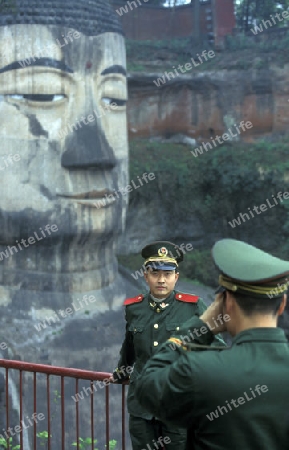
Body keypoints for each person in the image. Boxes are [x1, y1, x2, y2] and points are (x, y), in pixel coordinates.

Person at [135, 238, 289, 450]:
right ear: (282, 304)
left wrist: (201, 327)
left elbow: (147, 387)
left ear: (228, 303)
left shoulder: (200, 370)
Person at [111, 240, 225, 450]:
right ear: (146, 276)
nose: (161, 280)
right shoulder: (134, 308)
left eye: (167, 274)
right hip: (141, 404)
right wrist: (121, 370)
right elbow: (130, 344)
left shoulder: (192, 306)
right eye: (155, 273)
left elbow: (215, 344)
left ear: (176, 277)